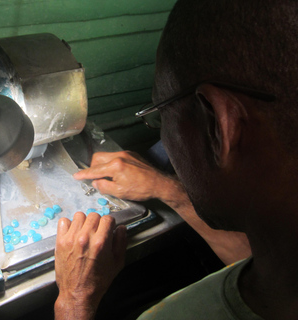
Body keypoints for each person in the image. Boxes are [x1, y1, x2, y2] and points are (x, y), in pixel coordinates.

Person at [54, 0, 298, 319]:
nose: (162, 131)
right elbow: (252, 256)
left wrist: (74, 301)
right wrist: (167, 188)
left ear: (218, 125)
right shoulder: (281, 261)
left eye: (160, 114)